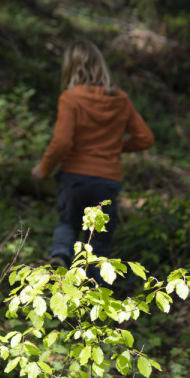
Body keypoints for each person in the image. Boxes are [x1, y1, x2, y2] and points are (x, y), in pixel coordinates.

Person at [32, 40, 154, 266]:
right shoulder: (121, 100)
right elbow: (145, 139)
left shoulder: (71, 97)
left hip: (74, 177)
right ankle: (96, 292)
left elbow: (62, 142)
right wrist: (115, 147)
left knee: (68, 223)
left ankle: (60, 257)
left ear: (71, 67)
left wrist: (44, 168)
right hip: (106, 181)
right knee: (99, 243)